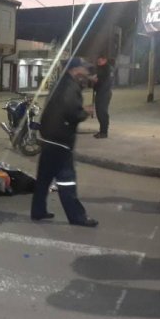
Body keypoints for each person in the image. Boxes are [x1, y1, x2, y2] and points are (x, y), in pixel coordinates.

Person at [31, 58, 98, 227]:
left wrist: (87, 82)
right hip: (61, 139)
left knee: (44, 178)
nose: (86, 71)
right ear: (75, 69)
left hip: (49, 136)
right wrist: (85, 112)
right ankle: (77, 217)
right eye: (83, 68)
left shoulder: (62, 82)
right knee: (67, 180)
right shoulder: (70, 87)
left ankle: (38, 211)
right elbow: (72, 112)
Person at [92, 55, 114, 139]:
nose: (98, 63)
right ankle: (102, 131)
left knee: (102, 113)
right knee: (99, 112)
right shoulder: (102, 68)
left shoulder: (108, 69)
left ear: (105, 59)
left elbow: (106, 82)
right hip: (100, 92)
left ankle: (104, 132)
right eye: (98, 61)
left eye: (100, 61)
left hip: (104, 93)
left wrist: (97, 81)